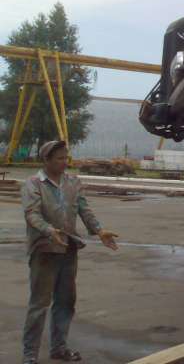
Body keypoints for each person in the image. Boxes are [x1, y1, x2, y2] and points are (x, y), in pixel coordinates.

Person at [20, 140, 119, 364]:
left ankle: (59, 348)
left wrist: (99, 230)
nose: (65, 162)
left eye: (66, 157)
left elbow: (84, 209)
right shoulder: (33, 184)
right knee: (39, 305)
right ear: (46, 160)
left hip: (68, 249)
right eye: (59, 158)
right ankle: (29, 354)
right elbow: (31, 213)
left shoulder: (73, 182)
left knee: (66, 301)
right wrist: (48, 230)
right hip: (44, 251)